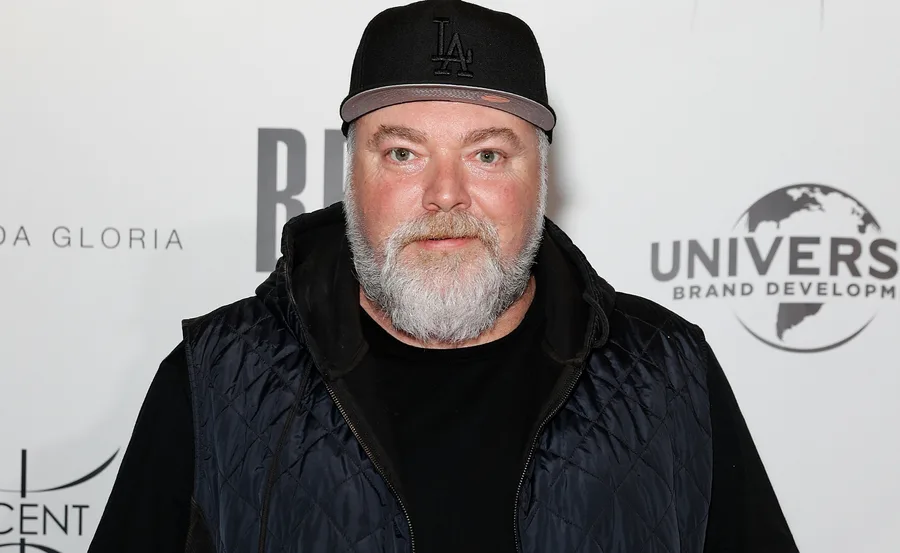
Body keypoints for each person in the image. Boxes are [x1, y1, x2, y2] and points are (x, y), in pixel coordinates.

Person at [87, 1, 800, 552]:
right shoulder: (215, 381)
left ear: (542, 178)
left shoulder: (667, 375)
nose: (447, 193)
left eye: (488, 155)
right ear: (352, 172)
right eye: (403, 153)